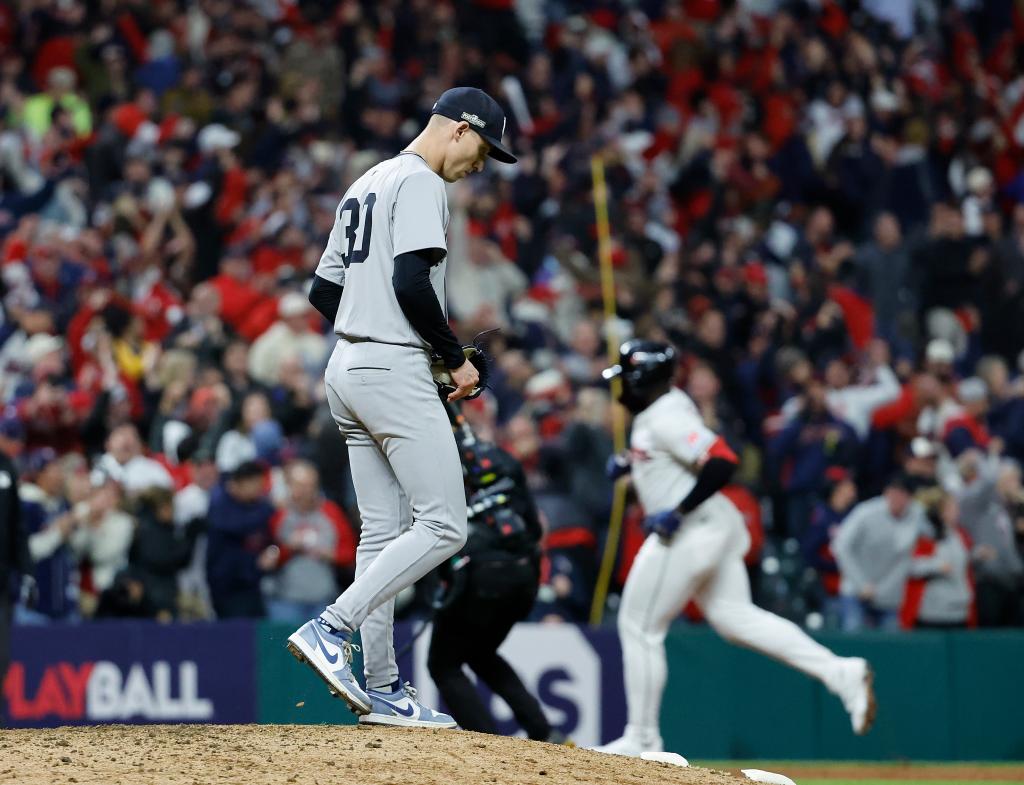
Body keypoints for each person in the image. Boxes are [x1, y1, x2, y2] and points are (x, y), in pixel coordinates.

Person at [285, 86, 516, 728]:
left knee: (384, 534)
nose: (481, 166)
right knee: (445, 525)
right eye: (484, 150)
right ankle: (333, 627)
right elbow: (412, 282)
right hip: (388, 367)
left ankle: (383, 686)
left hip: (346, 370)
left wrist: (377, 331)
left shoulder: (368, 179)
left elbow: (322, 290)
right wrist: (452, 358)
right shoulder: (420, 182)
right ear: (460, 130)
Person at [595, 340, 876, 758]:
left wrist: (679, 508)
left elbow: (723, 459)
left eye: (627, 377)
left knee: (639, 626)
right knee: (735, 618)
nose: (621, 388)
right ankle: (840, 673)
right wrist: (634, 461)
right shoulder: (668, 406)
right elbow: (679, 456)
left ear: (642, 379)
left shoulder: (664, 415)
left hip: (691, 529)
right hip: (713, 525)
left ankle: (642, 738)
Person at [427, 408, 558, 742]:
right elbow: (531, 524)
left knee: (443, 664)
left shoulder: (433, 464)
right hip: (524, 576)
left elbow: (434, 531)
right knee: (480, 653)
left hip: (478, 578)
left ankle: (487, 744)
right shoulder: (504, 460)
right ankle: (542, 730)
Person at [832, 473, 929, 631]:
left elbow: (932, 535)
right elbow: (840, 545)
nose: (896, 498)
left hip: (889, 597)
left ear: (910, 498)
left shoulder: (917, 515)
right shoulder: (866, 512)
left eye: (902, 494)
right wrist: (861, 584)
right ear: (886, 492)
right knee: (854, 640)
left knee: (889, 648)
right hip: (856, 593)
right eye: (893, 492)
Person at [266, 461, 357, 622]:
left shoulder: (331, 512)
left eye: (310, 486)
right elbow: (265, 557)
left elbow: (351, 553)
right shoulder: (277, 514)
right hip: (284, 599)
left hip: (323, 598)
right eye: (300, 486)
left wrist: (330, 555)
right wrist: (288, 548)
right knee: (283, 646)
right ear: (289, 485)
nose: (306, 491)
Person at [205, 460, 276, 618]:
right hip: (226, 586)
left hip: (251, 583)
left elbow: (267, 537)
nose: (260, 490)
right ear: (242, 482)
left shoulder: (256, 505)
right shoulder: (219, 500)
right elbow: (235, 525)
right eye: (256, 484)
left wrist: (270, 553)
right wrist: (271, 509)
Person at [0, 442, 31, 724]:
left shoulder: (6, 466)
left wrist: (27, 570)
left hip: (1, 580)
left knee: (2, 657)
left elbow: (17, 525)